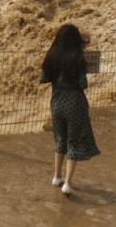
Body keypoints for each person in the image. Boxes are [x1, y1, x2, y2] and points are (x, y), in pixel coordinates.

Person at [39, 23, 100, 195]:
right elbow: (83, 84)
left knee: (60, 139)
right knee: (73, 141)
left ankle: (56, 176)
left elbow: (43, 78)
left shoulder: (51, 56)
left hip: (57, 101)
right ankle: (67, 183)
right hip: (74, 102)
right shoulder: (77, 58)